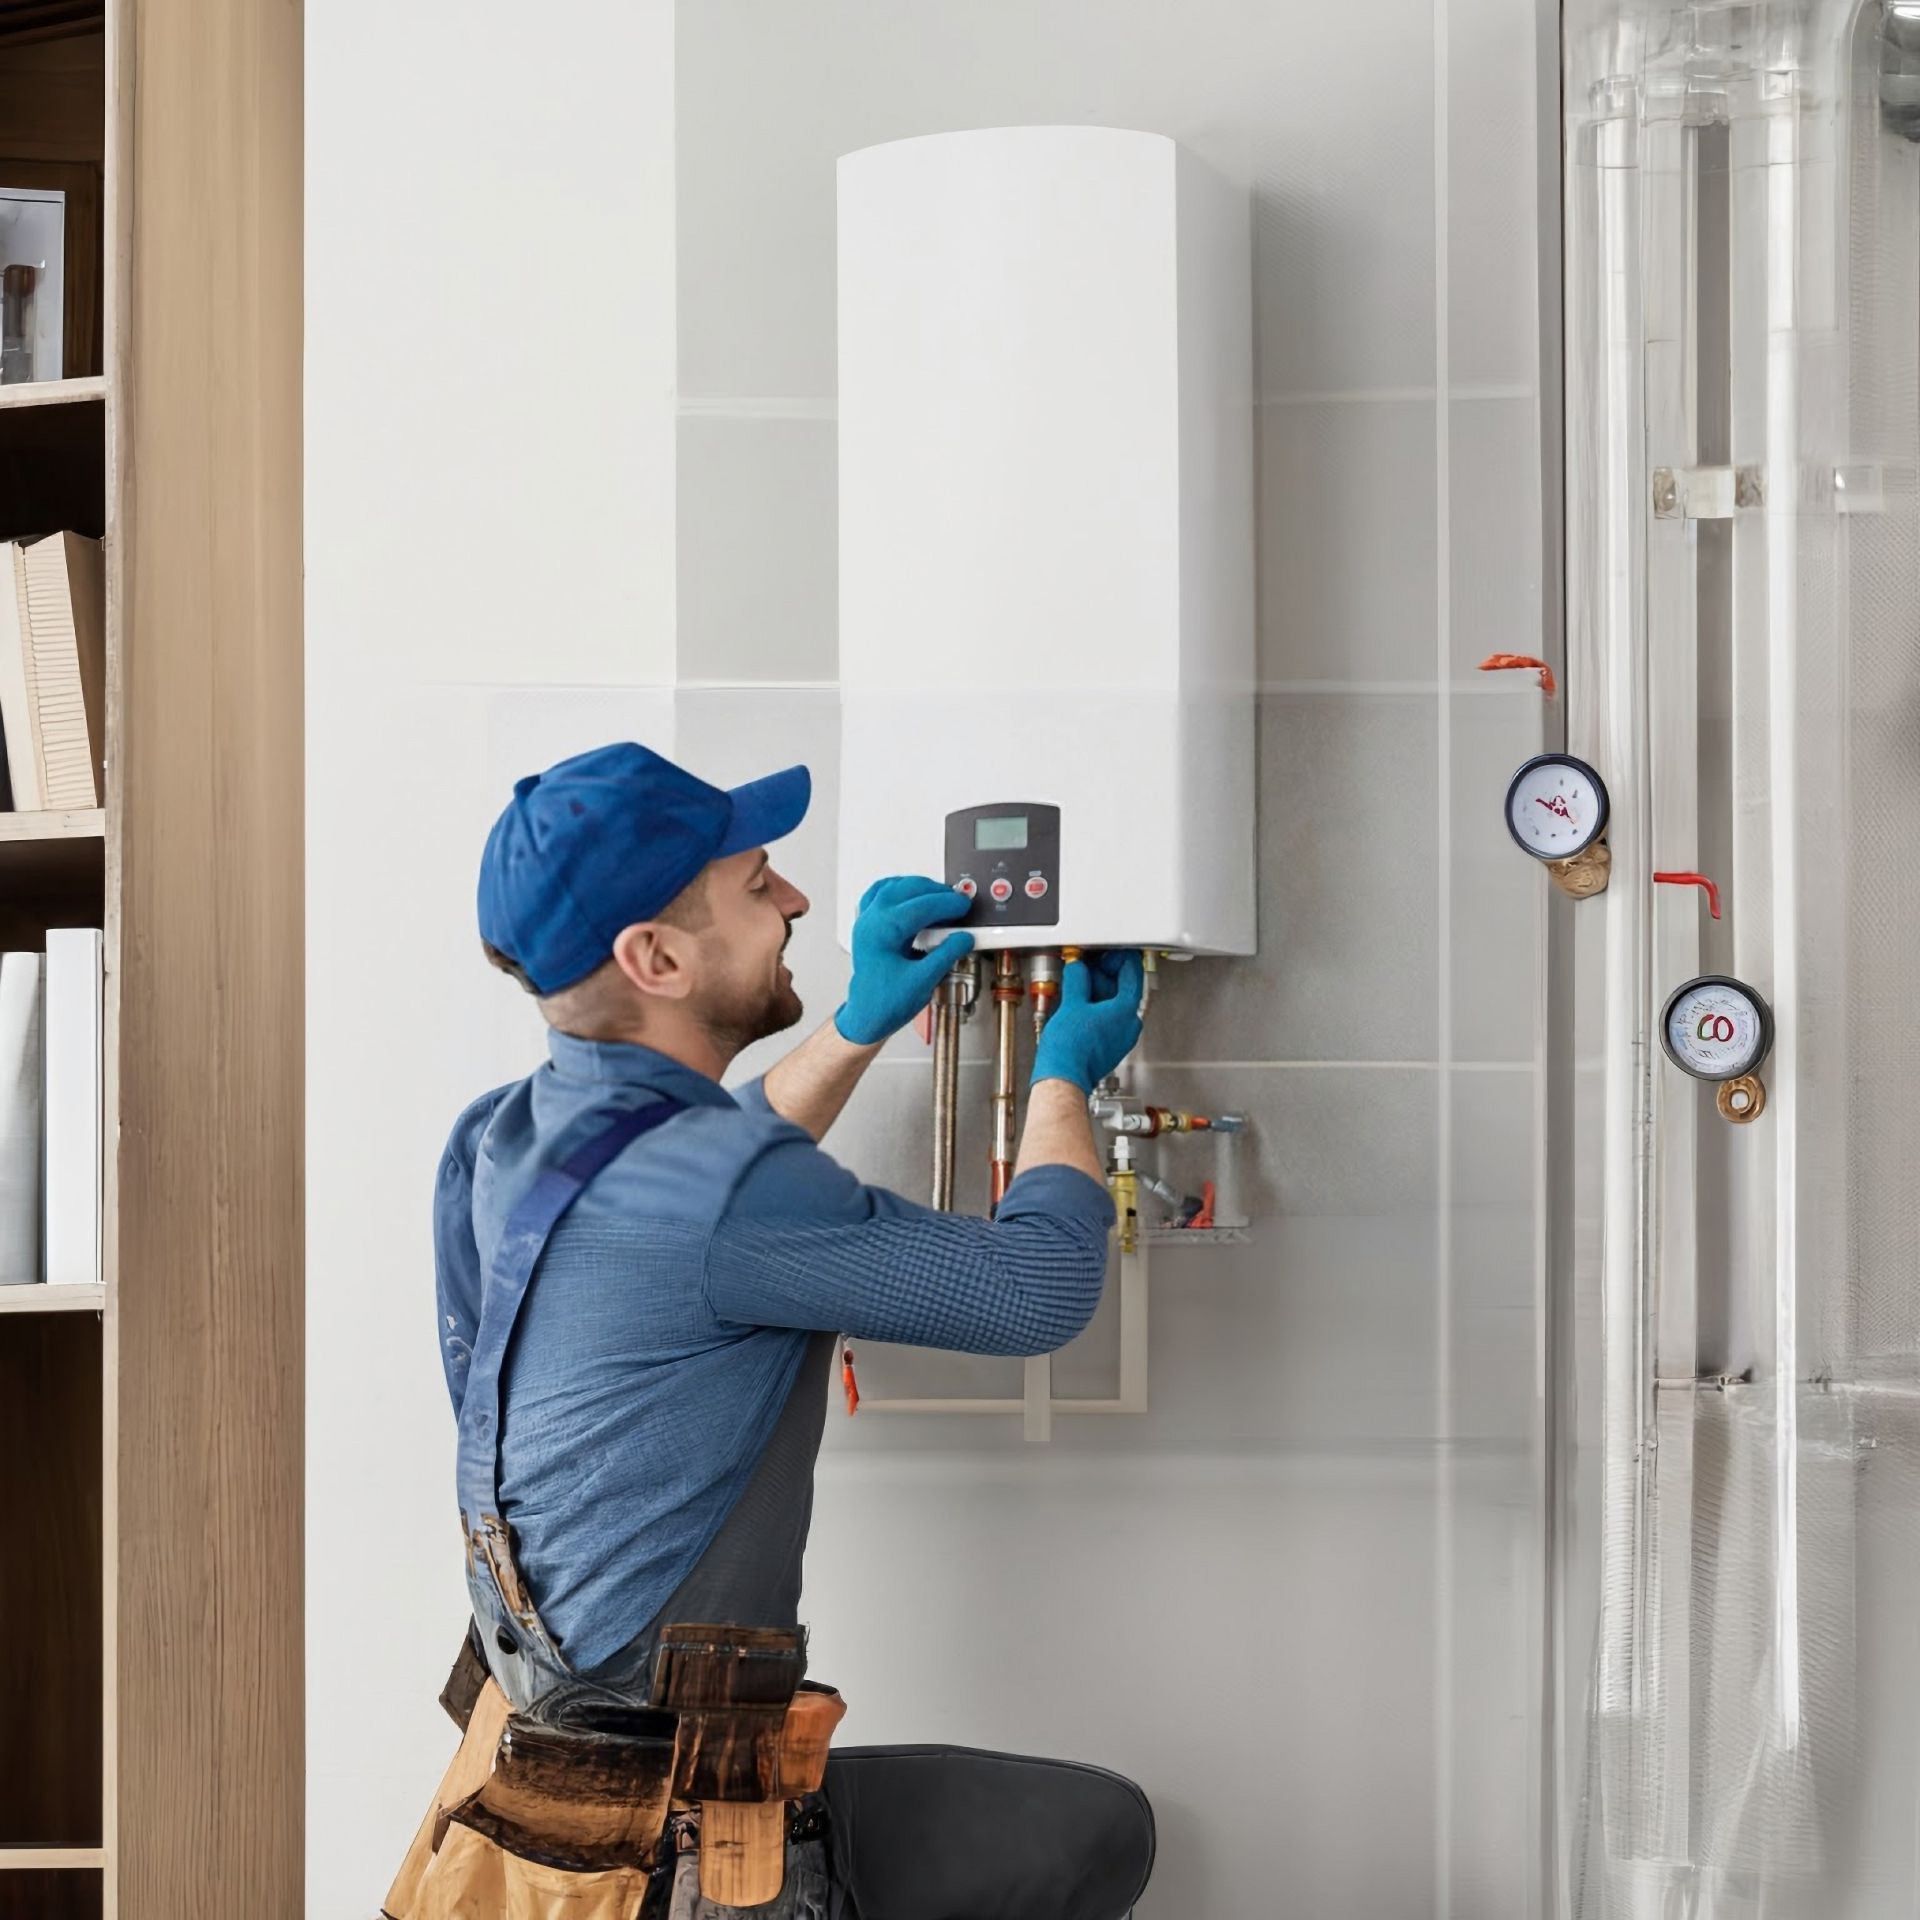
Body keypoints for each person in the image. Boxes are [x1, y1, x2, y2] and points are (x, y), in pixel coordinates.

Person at [397, 740, 1154, 1920]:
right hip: (682, 1858)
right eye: (758, 886)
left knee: (1079, 1827)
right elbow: (1038, 1292)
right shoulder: (723, 1189)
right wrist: (1064, 1079)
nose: (798, 901)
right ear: (655, 957)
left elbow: (692, 1192)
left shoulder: (502, 1136)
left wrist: (852, 1026)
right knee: (1097, 1834)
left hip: (539, 1782)